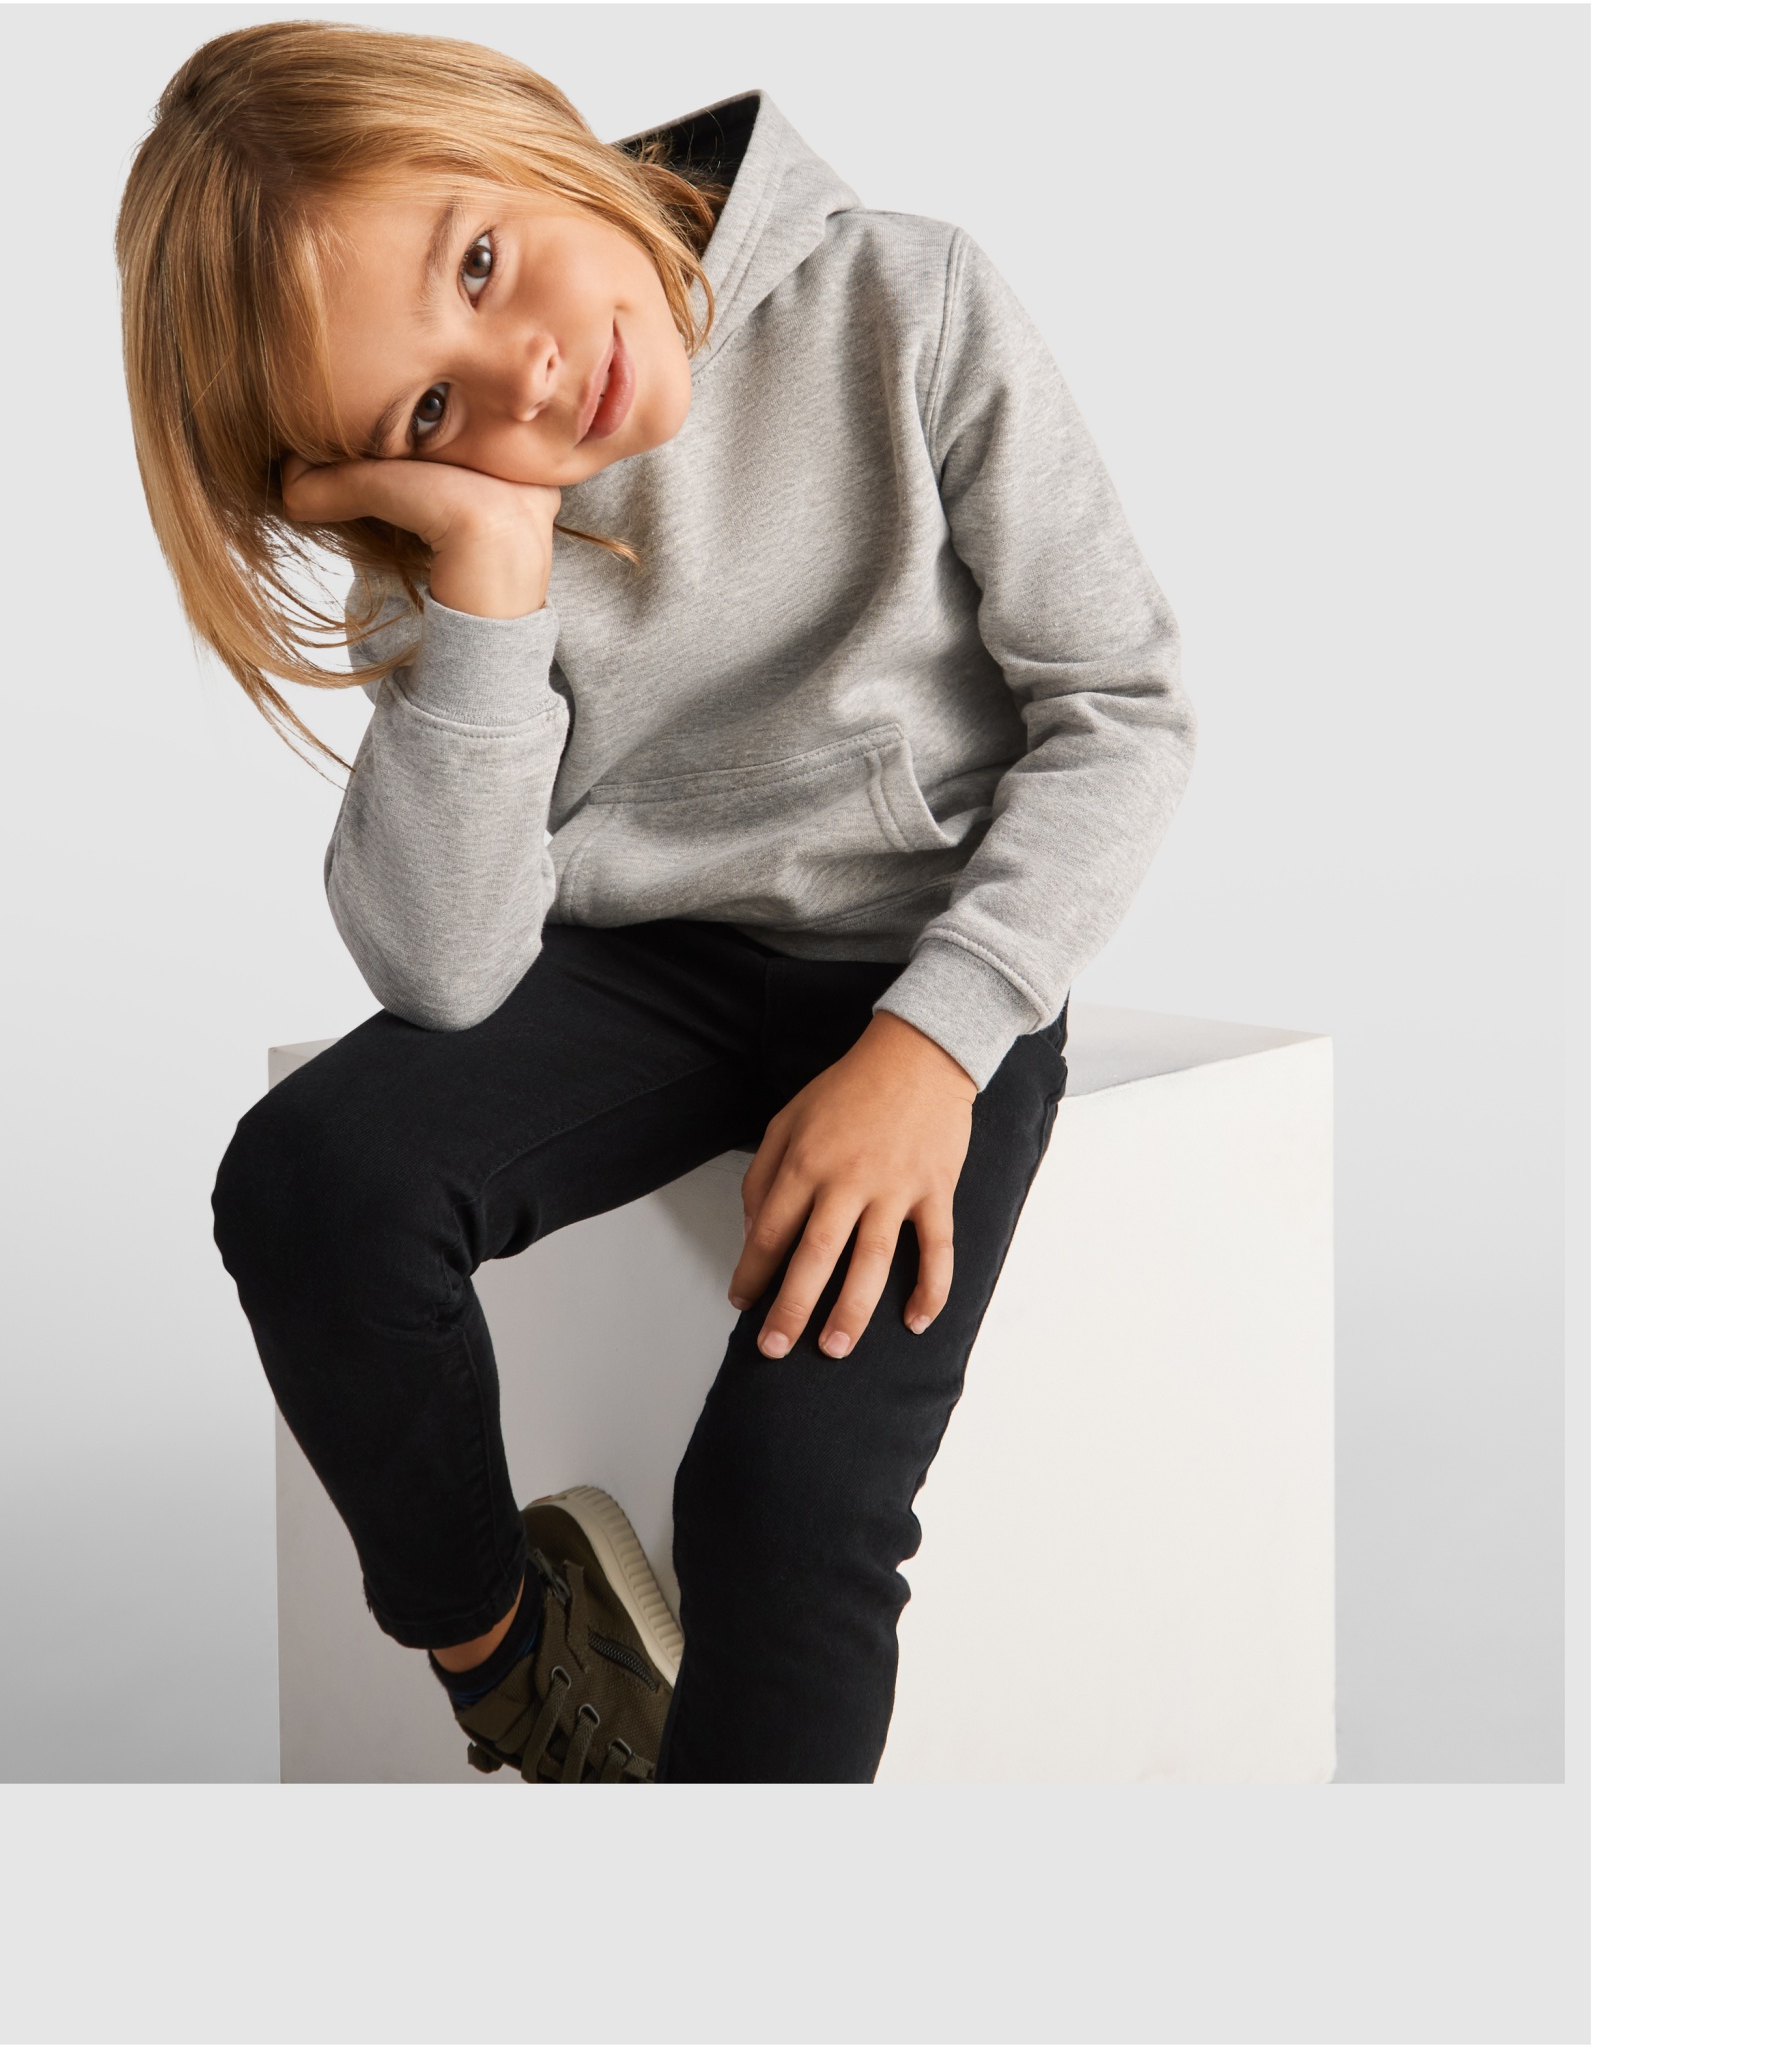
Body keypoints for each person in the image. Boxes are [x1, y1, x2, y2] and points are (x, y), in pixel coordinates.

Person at [116, 20, 1194, 1783]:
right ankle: (514, 1662)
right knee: (312, 1183)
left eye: (480, 260)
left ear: (524, 124)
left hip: (920, 964)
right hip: (648, 969)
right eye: (425, 412)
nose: (524, 382)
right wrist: (488, 575)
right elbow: (446, 971)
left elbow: (1121, 711)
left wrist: (936, 1046)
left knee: (786, 1498)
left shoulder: (905, 299)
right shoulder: (469, 532)